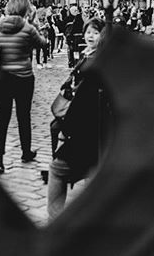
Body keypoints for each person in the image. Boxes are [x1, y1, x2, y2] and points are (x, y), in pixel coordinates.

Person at [47, 17, 111, 219]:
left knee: (57, 169)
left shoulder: (95, 61)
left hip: (84, 128)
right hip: (96, 131)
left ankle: (56, 220)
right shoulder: (90, 56)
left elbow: (85, 100)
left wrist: (68, 129)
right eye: (88, 32)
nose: (90, 36)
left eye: (95, 32)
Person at [0, 0, 48, 174]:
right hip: (24, 78)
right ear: (26, 10)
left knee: (1, 118)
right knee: (23, 116)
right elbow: (43, 44)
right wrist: (34, 25)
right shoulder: (28, 28)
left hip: (1, 80)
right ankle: (26, 151)